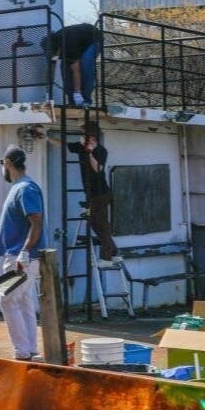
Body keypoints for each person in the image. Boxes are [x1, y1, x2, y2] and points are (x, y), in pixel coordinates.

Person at [0, 144, 46, 361]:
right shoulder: (19, 188)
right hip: (20, 255)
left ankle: (22, 352)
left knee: (7, 300)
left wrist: (24, 253)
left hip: (20, 257)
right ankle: (30, 350)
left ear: (7, 163)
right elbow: (22, 224)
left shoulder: (26, 189)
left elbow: (36, 223)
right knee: (24, 302)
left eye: (2, 164)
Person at [66, 124, 119, 266]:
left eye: (84, 134)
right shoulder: (81, 147)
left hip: (101, 193)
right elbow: (66, 146)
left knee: (100, 224)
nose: (81, 136)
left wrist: (90, 153)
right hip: (92, 194)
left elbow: (98, 169)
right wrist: (46, 138)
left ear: (92, 137)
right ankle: (114, 253)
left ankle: (107, 258)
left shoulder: (101, 151)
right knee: (97, 224)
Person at [43, 23, 100, 106]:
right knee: (65, 71)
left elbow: (76, 71)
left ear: (59, 50)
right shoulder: (49, 47)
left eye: (56, 56)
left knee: (85, 66)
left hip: (92, 39)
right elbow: (50, 71)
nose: (55, 58)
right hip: (76, 42)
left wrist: (77, 93)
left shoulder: (69, 47)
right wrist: (48, 94)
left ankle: (85, 100)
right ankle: (72, 102)